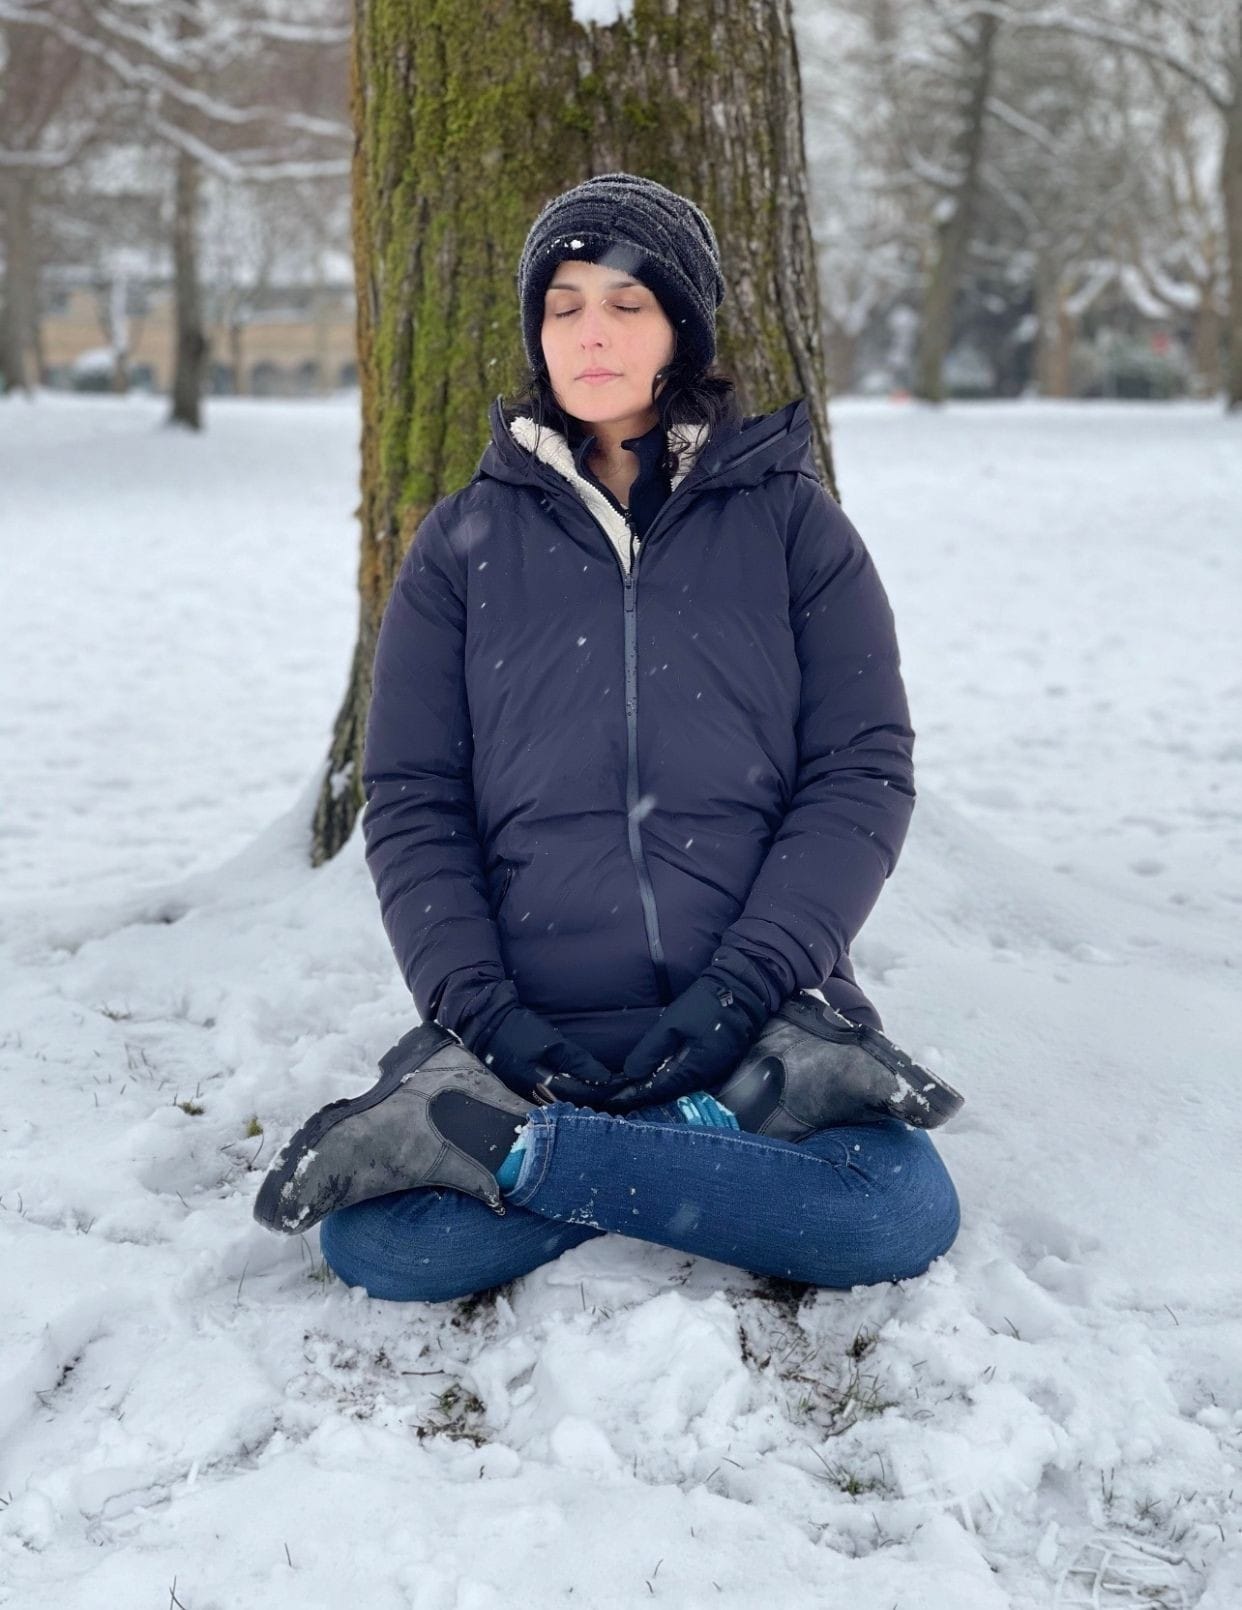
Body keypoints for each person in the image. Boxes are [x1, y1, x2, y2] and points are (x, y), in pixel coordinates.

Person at [253, 173, 963, 1302]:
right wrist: (487, 1015)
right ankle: (675, 1148)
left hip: (761, 1025)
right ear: (537, 329)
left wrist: (745, 986)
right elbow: (412, 802)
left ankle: (527, 1155)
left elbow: (860, 774)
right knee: (385, 1247)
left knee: (899, 1212)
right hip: (532, 1037)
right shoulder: (466, 543)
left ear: (681, 326)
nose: (592, 332)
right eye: (565, 303)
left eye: (628, 303)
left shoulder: (794, 527)